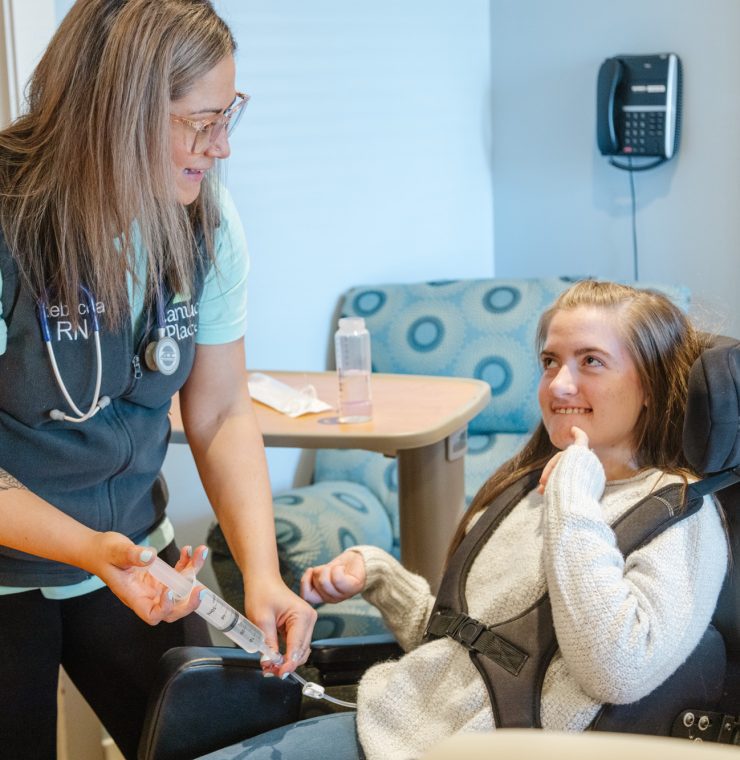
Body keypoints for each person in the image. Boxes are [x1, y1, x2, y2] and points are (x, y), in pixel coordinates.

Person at [203, 280, 729, 760]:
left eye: (591, 361)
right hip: (405, 726)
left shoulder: (679, 518)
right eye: (550, 361)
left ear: (652, 384)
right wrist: (382, 578)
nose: (559, 385)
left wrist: (574, 499)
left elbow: (617, 669)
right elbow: (474, 650)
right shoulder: (525, 485)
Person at [0, 1, 316, 757]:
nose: (221, 147)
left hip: (134, 549)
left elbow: (220, 411)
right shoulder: (10, 220)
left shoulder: (204, 219)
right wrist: (87, 548)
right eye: (200, 121)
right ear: (120, 111)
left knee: (213, 743)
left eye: (228, 115)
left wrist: (263, 576)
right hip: (14, 561)